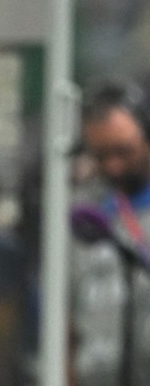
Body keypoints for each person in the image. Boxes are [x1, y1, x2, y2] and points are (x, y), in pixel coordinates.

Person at [72, 78, 150, 385]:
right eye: (101, 156)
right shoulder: (84, 212)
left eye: (124, 151)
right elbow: (66, 321)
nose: (114, 167)